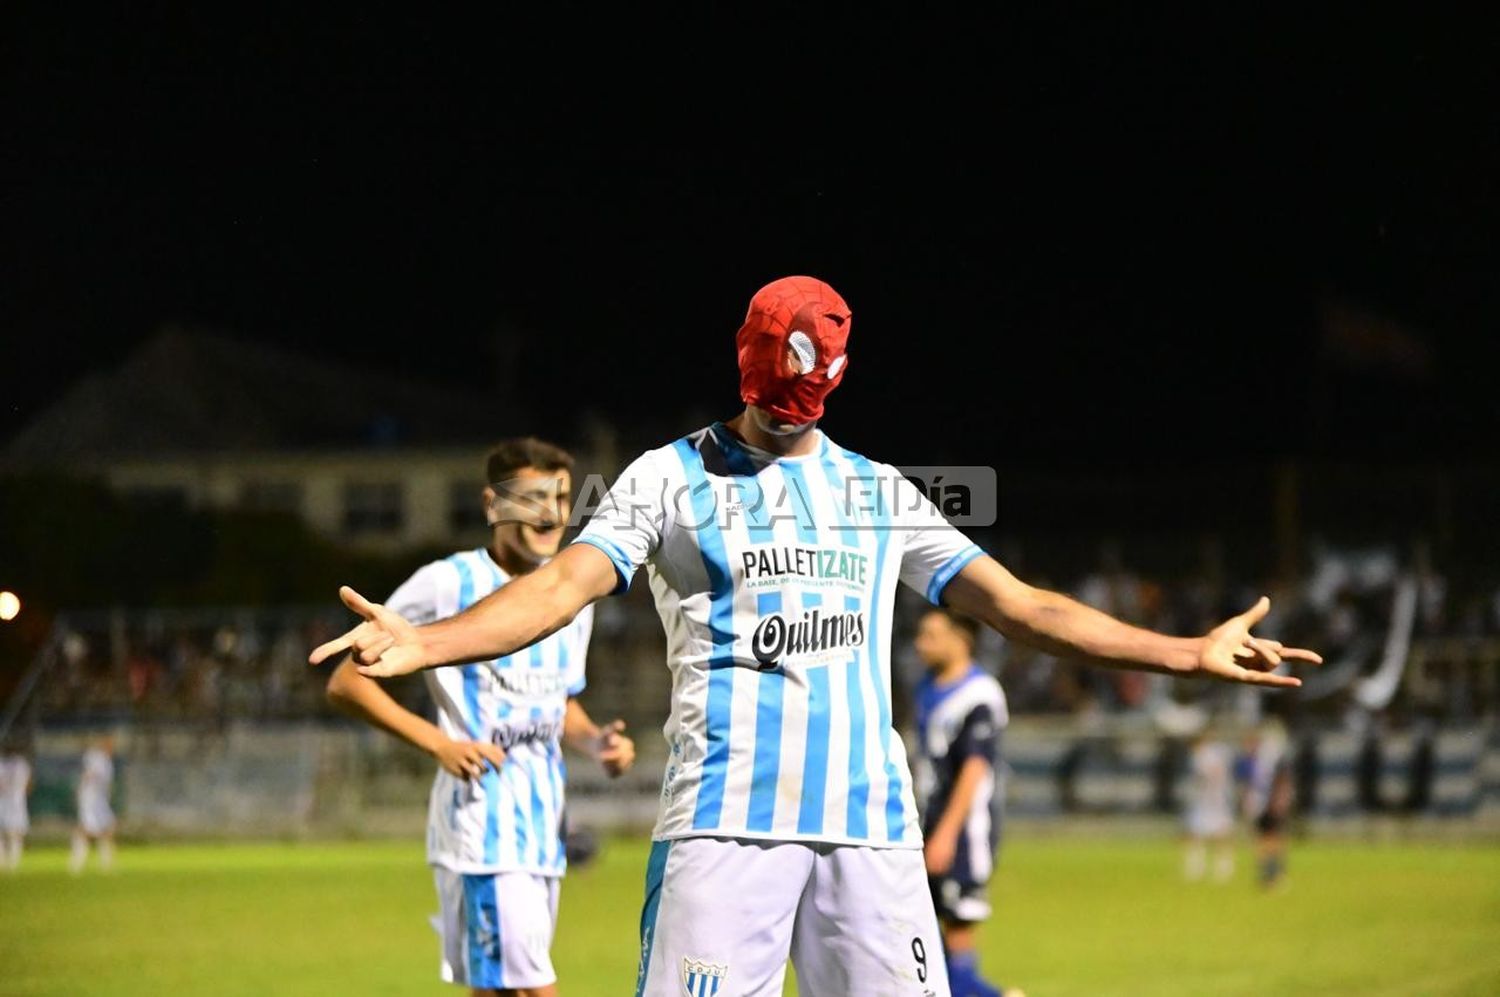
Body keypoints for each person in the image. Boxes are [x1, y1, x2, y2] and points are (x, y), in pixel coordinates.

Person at [311, 275, 1322, 996]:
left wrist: (1187, 651)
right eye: (776, 394)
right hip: (722, 825)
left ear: (834, 381)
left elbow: (1020, 604)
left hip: (870, 832)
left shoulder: (880, 492)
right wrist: (431, 641)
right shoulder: (666, 479)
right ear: (747, 369)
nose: (790, 414)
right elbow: (564, 584)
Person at [324, 437, 637, 997]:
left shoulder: (571, 596)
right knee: (530, 988)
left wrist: (596, 742)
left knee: (495, 989)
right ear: (493, 505)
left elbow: (556, 700)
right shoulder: (448, 583)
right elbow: (347, 682)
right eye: (531, 497)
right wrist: (438, 744)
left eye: (561, 497)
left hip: (544, 829)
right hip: (482, 824)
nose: (550, 513)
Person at [912, 607, 1022, 997]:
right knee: (918, 939)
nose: (920, 644)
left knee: (955, 940)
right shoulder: (927, 685)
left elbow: (975, 768)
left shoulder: (980, 694)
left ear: (962, 639)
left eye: (931, 635)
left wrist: (946, 833)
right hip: (926, 826)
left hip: (964, 834)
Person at [1239, 722, 1293, 891]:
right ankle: (1271, 872)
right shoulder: (1261, 758)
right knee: (1267, 837)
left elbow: (1281, 780)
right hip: (1263, 802)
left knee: (1271, 838)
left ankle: (1273, 872)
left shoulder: (1270, 758)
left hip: (1269, 802)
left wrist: (1278, 800)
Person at [1181, 730, 1236, 883]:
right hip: (1202, 800)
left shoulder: (1209, 754)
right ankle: (1195, 868)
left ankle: (1223, 869)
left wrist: (1213, 788)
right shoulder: (1197, 756)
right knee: (1195, 833)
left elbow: (1216, 773)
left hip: (1214, 800)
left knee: (1220, 834)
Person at [71, 733, 116, 874]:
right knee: (86, 830)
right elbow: (89, 774)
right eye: (110, 745)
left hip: (100, 800)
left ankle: (106, 864)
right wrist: (80, 791)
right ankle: (76, 863)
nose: (112, 748)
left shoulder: (107, 762)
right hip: (91, 799)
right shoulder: (98, 759)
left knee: (108, 828)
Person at [0, 741, 33, 871]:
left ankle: (3, 862)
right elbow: (28, 785)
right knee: (16, 833)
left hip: (3, 801)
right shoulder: (22, 764)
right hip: (17, 802)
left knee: (3, 833)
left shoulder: (2, 764)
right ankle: (13, 863)